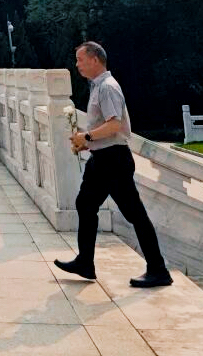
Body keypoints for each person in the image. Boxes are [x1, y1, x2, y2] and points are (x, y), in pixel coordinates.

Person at [55, 41, 171, 288]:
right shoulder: (98, 86)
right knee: (85, 204)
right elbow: (107, 128)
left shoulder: (108, 87)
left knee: (134, 214)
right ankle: (85, 262)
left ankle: (158, 269)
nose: (77, 65)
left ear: (95, 59)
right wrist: (88, 143)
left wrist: (87, 136)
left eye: (80, 59)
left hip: (114, 160)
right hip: (102, 158)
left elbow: (115, 125)